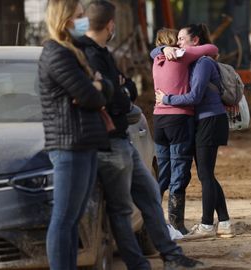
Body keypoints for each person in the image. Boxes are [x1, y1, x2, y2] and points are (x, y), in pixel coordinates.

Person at [79, 2, 205, 269]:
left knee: (148, 196)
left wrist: (119, 90)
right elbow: (111, 97)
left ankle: (170, 256)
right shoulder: (86, 54)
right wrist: (119, 91)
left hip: (122, 138)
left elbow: (129, 89)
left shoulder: (103, 53)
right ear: (110, 24)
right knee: (122, 209)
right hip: (107, 142)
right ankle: (142, 262)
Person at [38, 0, 113, 269]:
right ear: (66, 19)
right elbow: (91, 96)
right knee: (64, 218)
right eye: (80, 16)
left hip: (83, 142)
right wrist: (96, 86)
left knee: (74, 217)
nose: (85, 22)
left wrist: (98, 85)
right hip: (69, 144)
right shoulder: (56, 53)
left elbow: (102, 89)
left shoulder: (73, 51)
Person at [155, 24, 234, 239]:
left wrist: (167, 99)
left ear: (195, 41)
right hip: (205, 121)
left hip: (210, 120)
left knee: (205, 174)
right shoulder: (193, 60)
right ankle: (224, 221)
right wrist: (162, 50)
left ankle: (207, 224)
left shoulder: (203, 63)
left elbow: (195, 97)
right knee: (207, 174)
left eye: (181, 39)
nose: (178, 43)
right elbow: (155, 51)